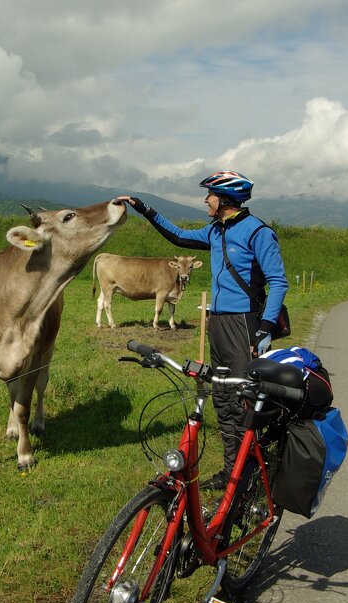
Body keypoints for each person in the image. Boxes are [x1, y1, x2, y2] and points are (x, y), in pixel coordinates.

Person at [119, 171, 289, 489]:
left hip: (245, 323)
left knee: (243, 400)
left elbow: (278, 282)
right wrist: (145, 209)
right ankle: (230, 472)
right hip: (219, 322)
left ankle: (249, 475)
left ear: (224, 199)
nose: (205, 200)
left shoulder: (258, 233)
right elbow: (179, 237)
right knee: (222, 397)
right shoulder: (215, 231)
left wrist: (264, 329)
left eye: (209, 195)